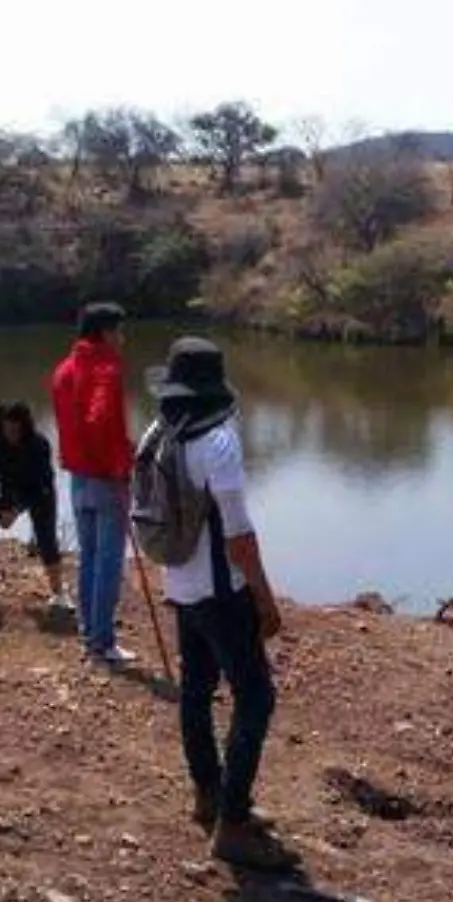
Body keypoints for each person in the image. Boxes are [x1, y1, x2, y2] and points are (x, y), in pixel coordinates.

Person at [140, 337, 296, 871]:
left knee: (196, 691)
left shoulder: (159, 431)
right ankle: (232, 821)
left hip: (181, 587)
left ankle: (209, 795)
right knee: (256, 697)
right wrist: (265, 598)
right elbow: (239, 537)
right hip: (222, 590)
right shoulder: (219, 442)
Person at [51, 302, 136, 668]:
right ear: (104, 332)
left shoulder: (64, 369)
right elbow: (99, 420)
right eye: (118, 330)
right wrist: (118, 464)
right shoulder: (106, 369)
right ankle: (102, 642)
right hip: (104, 478)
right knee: (109, 561)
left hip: (77, 477)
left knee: (89, 558)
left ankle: (90, 634)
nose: (122, 338)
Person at [0, 400, 71, 609]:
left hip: (39, 491)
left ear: (25, 426)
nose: (11, 434)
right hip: (5, 488)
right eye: (7, 428)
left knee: (46, 540)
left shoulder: (39, 444)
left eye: (16, 429)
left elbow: (43, 484)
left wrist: (16, 511)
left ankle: (59, 593)